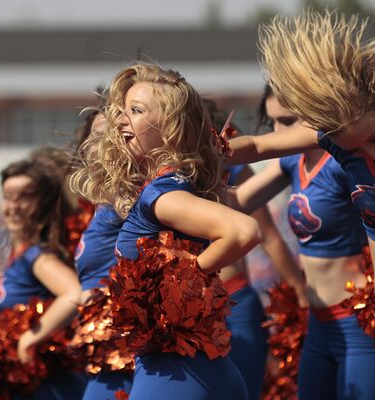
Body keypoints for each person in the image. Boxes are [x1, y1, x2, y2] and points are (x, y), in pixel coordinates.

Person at [229, 10, 375, 399]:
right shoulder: (336, 138)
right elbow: (257, 146)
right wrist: (191, 154)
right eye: (353, 149)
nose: (369, 153)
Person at [72, 63, 261, 399]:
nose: (120, 121)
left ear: (170, 127)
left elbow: (244, 231)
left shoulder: (162, 193)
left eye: (136, 111)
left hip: (174, 377)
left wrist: (177, 288)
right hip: (201, 371)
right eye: (123, 110)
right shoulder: (173, 182)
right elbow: (265, 146)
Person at [235, 85, 375, 399]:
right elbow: (238, 200)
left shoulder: (342, 164)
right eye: (271, 122)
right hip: (317, 323)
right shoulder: (290, 162)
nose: (276, 133)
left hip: (357, 324)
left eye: (286, 122)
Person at [206, 98, 308, 399]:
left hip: (235, 302)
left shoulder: (233, 168)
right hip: (184, 310)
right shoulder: (158, 174)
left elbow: (268, 235)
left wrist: (299, 293)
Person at [0, 157, 86, 399]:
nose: (14, 206)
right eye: (8, 197)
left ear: (43, 203)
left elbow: (74, 294)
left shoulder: (38, 257)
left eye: (25, 197)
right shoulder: (17, 253)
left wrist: (29, 339)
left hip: (52, 387)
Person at [71, 111, 135, 400]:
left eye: (103, 135)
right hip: (103, 349)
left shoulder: (126, 196)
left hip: (122, 347)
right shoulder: (103, 199)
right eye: (93, 135)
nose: (92, 144)